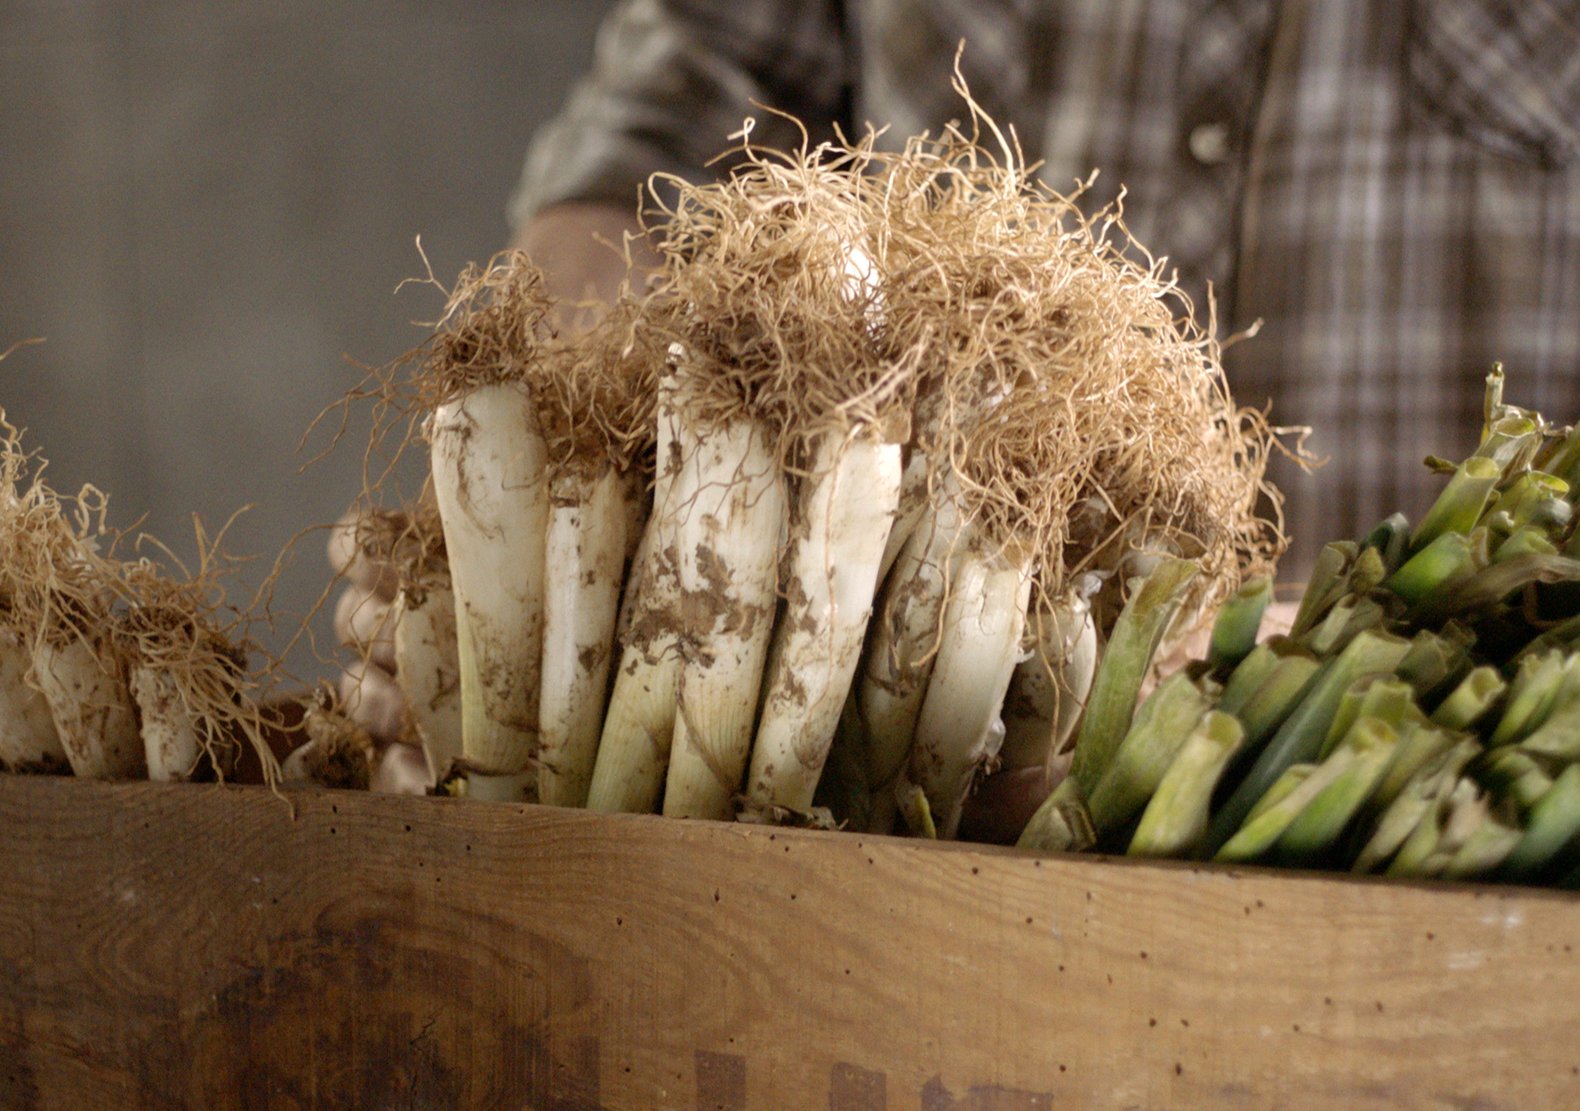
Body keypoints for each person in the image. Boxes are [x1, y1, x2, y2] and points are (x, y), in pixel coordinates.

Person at [334, 0, 1580, 797]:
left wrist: (1289, 669)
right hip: (877, 776)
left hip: (1418, 819)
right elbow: (660, 142)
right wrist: (549, 568)